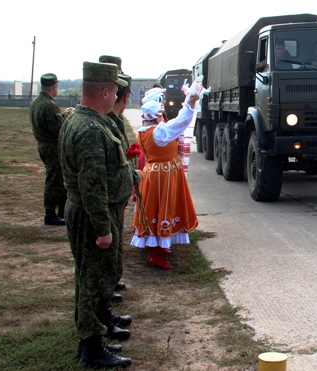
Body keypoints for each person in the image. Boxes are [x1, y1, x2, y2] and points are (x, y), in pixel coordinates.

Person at [59, 61, 135, 369]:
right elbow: (92, 185)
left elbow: (106, 171)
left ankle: (94, 336)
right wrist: (104, 229)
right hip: (92, 215)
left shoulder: (85, 120)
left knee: (91, 277)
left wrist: (132, 177)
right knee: (91, 279)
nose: (116, 97)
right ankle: (91, 346)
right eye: (115, 91)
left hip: (89, 211)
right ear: (104, 91)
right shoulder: (89, 129)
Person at [130, 95, 199, 270]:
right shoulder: (159, 132)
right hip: (163, 175)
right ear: (157, 116)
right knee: (162, 207)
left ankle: (160, 246)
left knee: (157, 207)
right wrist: (189, 103)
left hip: (156, 173)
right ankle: (155, 253)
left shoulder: (143, 131)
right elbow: (182, 121)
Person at [100, 55, 136, 303]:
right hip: (107, 195)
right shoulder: (101, 119)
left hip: (117, 193)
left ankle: (113, 279)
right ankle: (105, 290)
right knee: (105, 251)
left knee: (116, 245)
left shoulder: (115, 118)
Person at [29, 73, 68, 226]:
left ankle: (61, 211)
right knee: (54, 179)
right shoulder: (49, 105)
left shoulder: (37, 102)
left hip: (43, 144)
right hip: (52, 146)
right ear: (55, 87)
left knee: (58, 178)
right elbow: (59, 129)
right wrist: (66, 118)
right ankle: (50, 213)